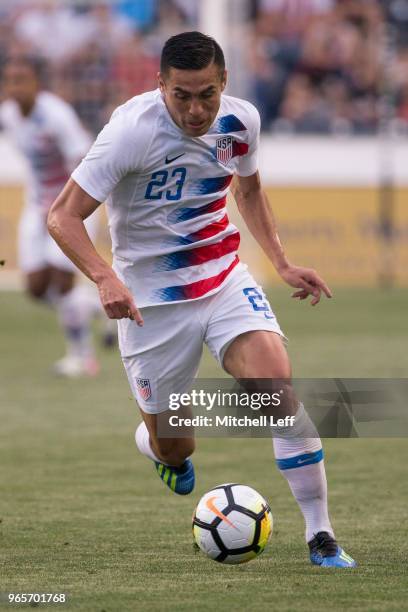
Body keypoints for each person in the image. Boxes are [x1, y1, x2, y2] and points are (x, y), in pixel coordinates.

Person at [47, 31, 356, 567]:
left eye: (207, 94)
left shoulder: (242, 121)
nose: (195, 110)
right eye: (182, 95)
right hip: (150, 303)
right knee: (176, 446)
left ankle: (320, 535)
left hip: (221, 278)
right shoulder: (129, 132)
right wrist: (103, 276)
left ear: (224, 84)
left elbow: (249, 189)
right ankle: (156, 445)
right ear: (160, 85)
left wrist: (281, 262)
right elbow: (63, 216)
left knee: (274, 388)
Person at [0, 55, 111, 376]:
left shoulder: (56, 116)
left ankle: (82, 357)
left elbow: (86, 160)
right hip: (36, 208)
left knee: (62, 284)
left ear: (38, 83)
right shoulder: (9, 114)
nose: (14, 87)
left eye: (21, 80)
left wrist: (78, 210)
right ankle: (98, 306)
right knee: (36, 288)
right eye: (9, 80)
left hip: (71, 206)